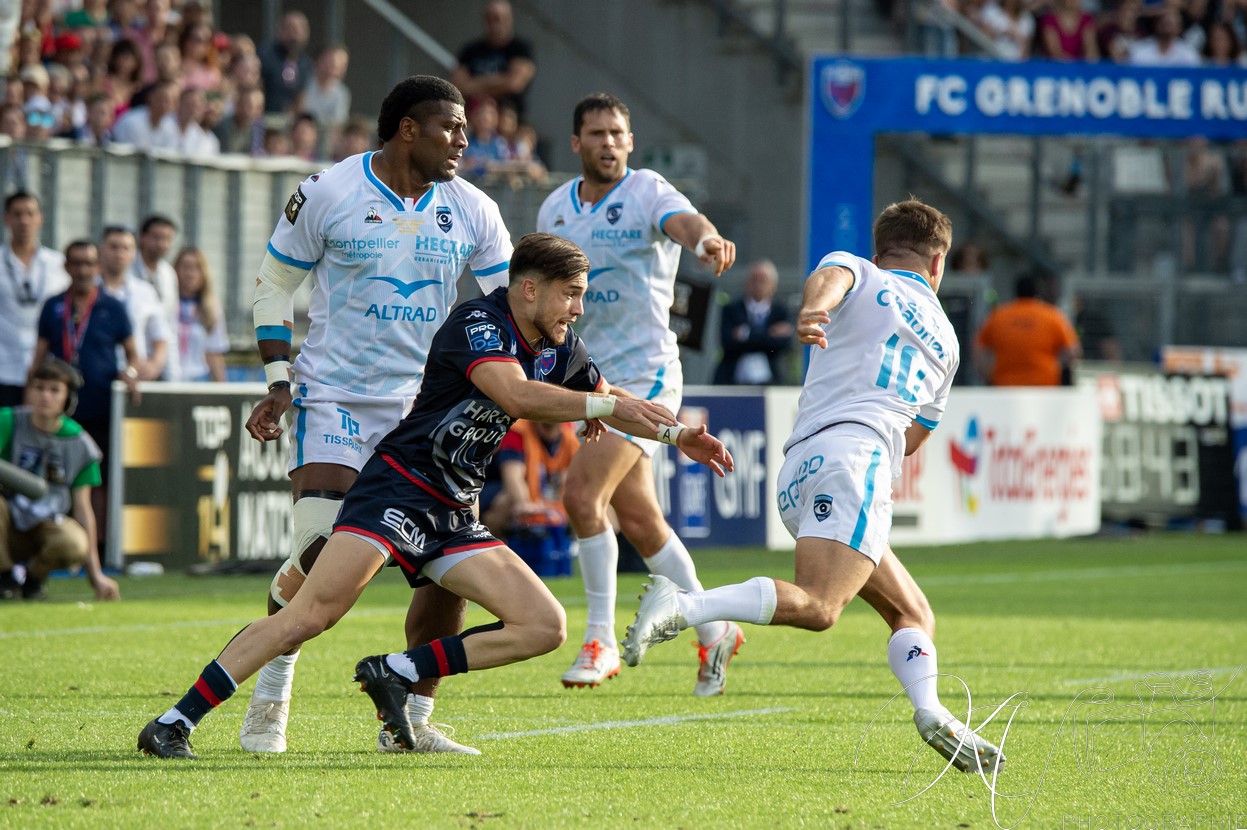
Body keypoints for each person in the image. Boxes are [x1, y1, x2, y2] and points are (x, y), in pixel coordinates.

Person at [136, 231, 735, 759]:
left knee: (543, 625)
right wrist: (602, 405)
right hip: (399, 487)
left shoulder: (559, 344)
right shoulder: (477, 322)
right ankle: (173, 721)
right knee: (310, 616)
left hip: (454, 509)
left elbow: (616, 396)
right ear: (528, 289)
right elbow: (519, 396)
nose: (578, 310)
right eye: (570, 294)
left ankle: (398, 684)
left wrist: (678, 433)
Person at [621, 198, 1006, 775]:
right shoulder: (947, 342)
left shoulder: (862, 271)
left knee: (912, 610)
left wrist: (812, 313)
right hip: (858, 458)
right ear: (939, 260)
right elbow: (917, 435)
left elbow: (831, 279)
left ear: (882, 250)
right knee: (822, 606)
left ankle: (932, 713)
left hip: (801, 466)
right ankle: (686, 607)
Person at [234, 75, 515, 757]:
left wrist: (566, 379)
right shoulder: (330, 191)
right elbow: (273, 288)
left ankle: (412, 722)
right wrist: (277, 382)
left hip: (430, 416)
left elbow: (515, 307)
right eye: (450, 127)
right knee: (320, 551)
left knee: (445, 574)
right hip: (336, 398)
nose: (463, 140)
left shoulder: (473, 207)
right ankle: (271, 690)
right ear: (407, 129)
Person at [535, 92, 743, 694]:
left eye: (617, 133)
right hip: (590, 377)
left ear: (630, 142)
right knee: (640, 518)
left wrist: (704, 242)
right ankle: (715, 629)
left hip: (649, 374)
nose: (607, 142)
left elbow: (687, 223)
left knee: (580, 496)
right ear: (576, 143)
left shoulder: (647, 190)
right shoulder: (555, 208)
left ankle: (599, 640)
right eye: (596, 133)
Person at [0, 359, 119, 601]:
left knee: (75, 542)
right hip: (7, 524)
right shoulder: (8, 421)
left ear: (68, 398)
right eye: (39, 387)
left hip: (48, 525)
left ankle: (34, 578)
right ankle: (4, 577)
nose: (45, 396)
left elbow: (84, 510)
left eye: (54, 390)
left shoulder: (81, 444)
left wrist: (95, 574)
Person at [0, 192, 69, 407]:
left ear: (40, 218)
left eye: (30, 214)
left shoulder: (58, 264)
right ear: (6, 218)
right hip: (4, 367)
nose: (24, 221)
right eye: (17, 214)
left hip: (47, 372)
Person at [974, 274, 1081, 386]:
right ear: (1037, 292)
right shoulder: (1052, 316)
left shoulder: (998, 316)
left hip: (1004, 385)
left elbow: (978, 347)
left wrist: (986, 374)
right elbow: (1072, 351)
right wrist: (1058, 367)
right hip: (1044, 385)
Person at [98, 226, 170, 382]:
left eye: (126, 248)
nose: (119, 254)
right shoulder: (89, 290)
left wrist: (154, 366)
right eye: (114, 247)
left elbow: (160, 336)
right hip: (96, 375)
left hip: (133, 376)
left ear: (134, 253)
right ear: (101, 250)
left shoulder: (145, 292)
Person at [713, 259, 794, 386]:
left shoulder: (780, 311)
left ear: (773, 285)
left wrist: (746, 334)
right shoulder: (732, 309)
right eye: (754, 280)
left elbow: (784, 344)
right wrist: (769, 335)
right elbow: (727, 342)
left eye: (762, 280)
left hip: (770, 381)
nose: (758, 285)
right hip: (732, 380)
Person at [450, 0, 536, 121]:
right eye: (490, 19)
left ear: (509, 19)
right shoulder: (470, 50)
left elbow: (515, 84)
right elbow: (458, 86)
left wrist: (475, 84)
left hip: (510, 120)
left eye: (498, 18)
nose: (495, 24)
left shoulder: (520, 49)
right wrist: (501, 80)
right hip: (473, 119)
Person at [170, 246, 227, 382]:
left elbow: (214, 354)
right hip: (168, 379)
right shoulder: (166, 303)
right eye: (185, 267)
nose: (190, 273)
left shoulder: (211, 308)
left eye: (196, 268)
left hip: (198, 380)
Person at [258, 10, 312, 114]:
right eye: (290, 28)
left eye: (299, 29)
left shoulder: (305, 63)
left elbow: (301, 96)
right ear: (280, 30)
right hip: (264, 120)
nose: (294, 35)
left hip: (287, 124)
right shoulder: (265, 55)